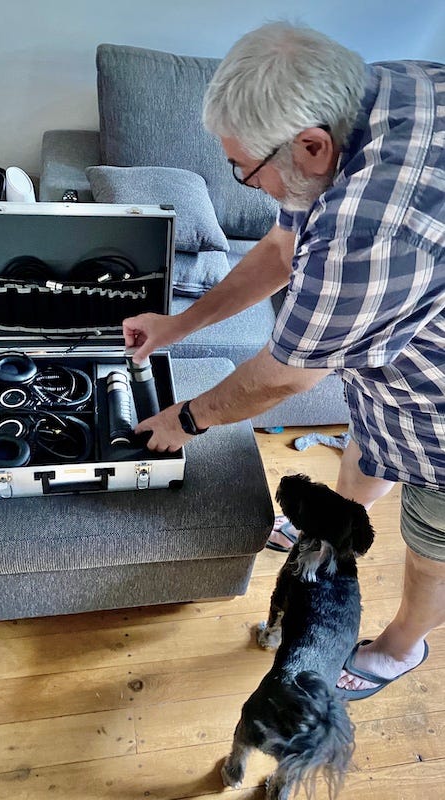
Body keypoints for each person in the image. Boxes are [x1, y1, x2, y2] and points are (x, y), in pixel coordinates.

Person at [122, 22, 445, 700]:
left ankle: (399, 648)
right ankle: (326, 530)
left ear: (311, 145)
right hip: (396, 367)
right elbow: (278, 246)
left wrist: (186, 420)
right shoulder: (370, 92)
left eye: (245, 169)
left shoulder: (367, 231)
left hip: (438, 411)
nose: (246, 183)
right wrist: (178, 324)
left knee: (431, 543)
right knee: (366, 443)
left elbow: (285, 375)